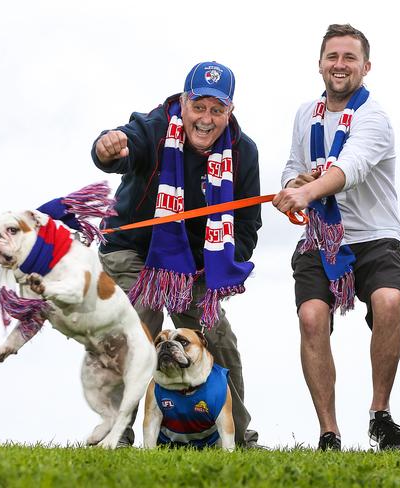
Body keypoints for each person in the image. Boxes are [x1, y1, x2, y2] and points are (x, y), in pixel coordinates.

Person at [91, 61, 261, 448]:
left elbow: (248, 221)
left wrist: (222, 267)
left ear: (229, 111)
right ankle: (119, 430)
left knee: (218, 336)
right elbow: (119, 150)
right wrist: (107, 147)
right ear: (183, 102)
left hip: (197, 266)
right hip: (131, 251)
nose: (206, 118)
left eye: (217, 110)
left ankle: (236, 431)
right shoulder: (152, 128)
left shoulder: (243, 151)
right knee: (140, 322)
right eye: (198, 106)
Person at [272, 24, 400, 451]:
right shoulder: (304, 114)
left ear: (366, 67)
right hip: (321, 234)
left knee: (388, 301)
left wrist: (308, 191)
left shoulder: (374, 116)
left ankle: (380, 415)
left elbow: (352, 167)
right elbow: (293, 167)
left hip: (375, 235)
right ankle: (328, 432)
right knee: (311, 317)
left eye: (350, 58)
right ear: (319, 64)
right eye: (333, 56)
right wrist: (294, 183)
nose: (340, 65)